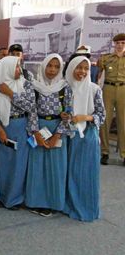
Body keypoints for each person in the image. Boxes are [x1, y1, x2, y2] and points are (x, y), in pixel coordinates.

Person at [25, 54, 73, 217]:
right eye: (49, 66)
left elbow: (68, 111)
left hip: (57, 130)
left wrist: (57, 135)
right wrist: (36, 133)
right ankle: (35, 201)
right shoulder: (34, 86)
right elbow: (31, 111)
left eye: (56, 66)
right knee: (37, 166)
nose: (52, 70)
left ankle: (54, 202)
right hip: (39, 128)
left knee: (56, 168)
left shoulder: (64, 87)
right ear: (43, 66)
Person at [64, 56, 106, 222]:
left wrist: (84, 117)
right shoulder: (66, 88)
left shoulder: (95, 89)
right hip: (68, 134)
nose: (82, 72)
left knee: (85, 172)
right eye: (78, 68)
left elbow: (101, 116)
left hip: (87, 135)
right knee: (69, 171)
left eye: (85, 68)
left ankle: (86, 207)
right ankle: (68, 204)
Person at [0, 56, 36, 210]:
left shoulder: (26, 85)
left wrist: (11, 93)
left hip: (20, 125)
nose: (19, 70)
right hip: (2, 128)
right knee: (2, 163)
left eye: (19, 66)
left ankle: (14, 198)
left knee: (18, 164)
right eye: (16, 67)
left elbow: (30, 107)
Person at [98, 33, 125, 165]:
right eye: (118, 43)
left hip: (123, 90)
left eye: (123, 43)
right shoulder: (105, 58)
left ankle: (124, 154)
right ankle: (105, 152)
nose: (120, 45)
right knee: (104, 121)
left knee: (123, 122)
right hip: (108, 89)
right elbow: (97, 74)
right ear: (114, 44)